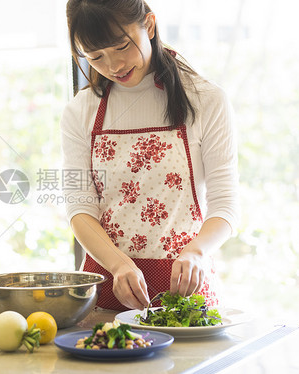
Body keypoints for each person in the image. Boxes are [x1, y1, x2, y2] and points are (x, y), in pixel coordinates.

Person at [61, 0, 239, 311]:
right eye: (96, 57)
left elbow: (226, 205)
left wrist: (196, 251)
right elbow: (79, 206)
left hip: (185, 292)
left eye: (121, 47)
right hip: (106, 291)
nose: (114, 66)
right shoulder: (80, 111)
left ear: (150, 25)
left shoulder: (207, 100)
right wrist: (118, 265)